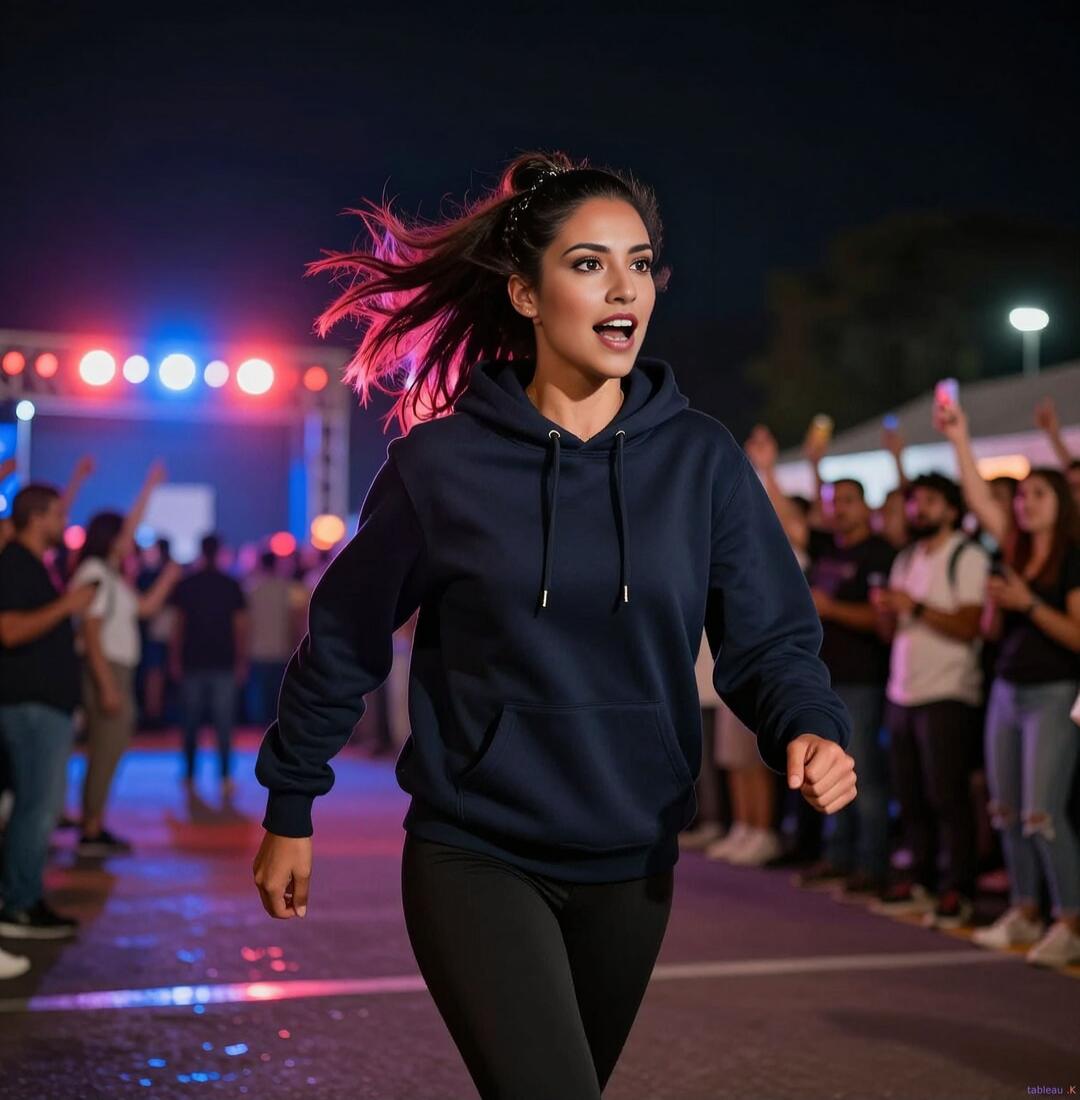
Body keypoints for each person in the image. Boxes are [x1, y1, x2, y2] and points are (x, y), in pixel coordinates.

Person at [252, 151, 857, 1100]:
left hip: (633, 858)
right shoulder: (440, 465)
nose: (625, 288)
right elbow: (345, 636)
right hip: (474, 851)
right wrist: (293, 802)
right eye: (588, 264)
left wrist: (809, 726)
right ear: (526, 295)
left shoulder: (700, 459)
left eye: (641, 262)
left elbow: (771, 638)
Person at [935, 399, 1080, 967]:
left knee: (1043, 811)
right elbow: (975, 495)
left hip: (1054, 693)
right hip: (1007, 689)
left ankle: (1068, 918)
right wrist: (960, 438)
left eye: (1037, 494)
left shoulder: (1071, 559)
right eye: (1021, 496)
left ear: (1061, 503)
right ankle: (1024, 910)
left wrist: (1027, 604)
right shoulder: (1015, 547)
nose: (1024, 503)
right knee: (1005, 810)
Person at [870, 472, 989, 929]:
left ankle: (958, 886)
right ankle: (920, 879)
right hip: (903, 690)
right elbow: (889, 632)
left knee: (948, 796)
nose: (919, 510)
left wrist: (913, 607)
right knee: (911, 794)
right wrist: (888, 611)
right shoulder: (906, 558)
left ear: (952, 510)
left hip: (948, 690)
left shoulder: (966, 555)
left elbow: (969, 625)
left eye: (930, 502)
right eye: (915, 502)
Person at [69, 462, 181, 854]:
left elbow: (146, 608)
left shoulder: (111, 575)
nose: (130, 541)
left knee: (109, 751)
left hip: (116, 670)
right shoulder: (95, 572)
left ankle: (94, 823)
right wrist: (105, 685)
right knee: (104, 751)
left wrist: (167, 579)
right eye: (123, 535)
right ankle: (90, 829)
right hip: (107, 671)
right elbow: (91, 635)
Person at [0, 485, 96, 937]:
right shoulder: (15, 563)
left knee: (39, 804)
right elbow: (10, 630)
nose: (65, 523)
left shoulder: (33, 563)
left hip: (43, 704)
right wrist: (68, 606)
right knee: (37, 806)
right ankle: (19, 903)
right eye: (58, 514)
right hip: (31, 706)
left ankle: (24, 897)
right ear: (37, 517)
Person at [797, 478, 896, 897]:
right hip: (827, 679)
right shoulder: (828, 550)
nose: (840, 509)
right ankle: (838, 856)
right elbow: (785, 518)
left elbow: (880, 622)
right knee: (827, 773)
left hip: (863, 679)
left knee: (865, 777)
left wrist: (833, 608)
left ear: (866, 506)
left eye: (848, 501)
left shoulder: (878, 553)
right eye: (833, 502)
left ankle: (871, 863)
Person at [170, 534, 249, 793]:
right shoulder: (231, 585)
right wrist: (241, 660)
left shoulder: (188, 584)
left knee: (190, 721)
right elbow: (240, 628)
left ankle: (190, 772)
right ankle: (225, 775)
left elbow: (178, 626)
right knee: (224, 724)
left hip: (193, 659)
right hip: (223, 661)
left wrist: (175, 658)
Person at [243, 551, 303, 727]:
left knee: (258, 696)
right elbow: (294, 621)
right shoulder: (287, 589)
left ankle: (258, 732)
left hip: (256, 649)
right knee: (279, 694)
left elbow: (246, 623)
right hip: (281, 649)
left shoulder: (251, 589)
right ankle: (275, 727)